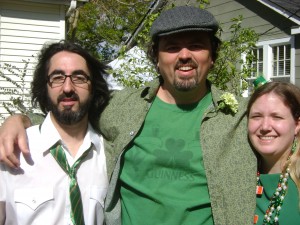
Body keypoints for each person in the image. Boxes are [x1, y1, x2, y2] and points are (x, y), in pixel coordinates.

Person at [0, 6, 257, 225]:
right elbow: (70, 109)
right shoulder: (122, 107)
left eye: (196, 45)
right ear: (156, 57)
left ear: (212, 56)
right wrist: (18, 121)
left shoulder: (241, 115)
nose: (185, 55)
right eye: (172, 47)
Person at [0, 40, 110, 225]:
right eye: (57, 77)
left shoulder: (108, 155)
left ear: (93, 87)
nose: (68, 88)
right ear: (45, 86)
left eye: (79, 77)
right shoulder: (10, 150)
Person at [247, 81, 300, 225]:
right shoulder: (240, 177)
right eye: (256, 116)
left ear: (297, 124)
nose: (265, 127)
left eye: (276, 117)